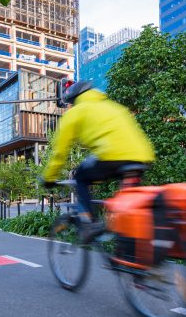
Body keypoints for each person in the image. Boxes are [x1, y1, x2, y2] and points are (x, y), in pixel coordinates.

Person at [41, 81, 155, 238]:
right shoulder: (115, 107)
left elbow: (60, 152)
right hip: (140, 158)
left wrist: (49, 178)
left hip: (110, 155)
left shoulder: (75, 113)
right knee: (129, 206)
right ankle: (129, 250)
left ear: (74, 100)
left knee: (80, 177)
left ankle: (89, 222)